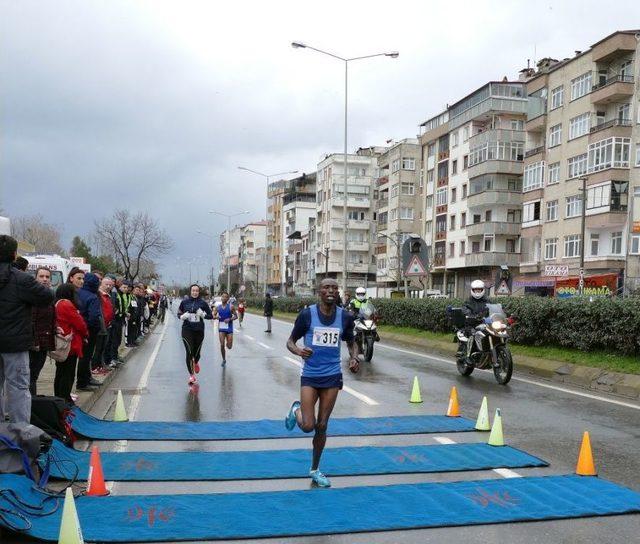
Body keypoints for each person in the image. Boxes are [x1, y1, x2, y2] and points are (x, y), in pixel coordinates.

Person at [284, 278, 360, 488]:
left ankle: (315, 469)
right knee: (308, 425)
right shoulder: (307, 314)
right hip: (310, 375)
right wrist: (299, 351)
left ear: (338, 293)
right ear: (319, 291)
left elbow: (352, 343)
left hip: (332, 376)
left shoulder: (345, 317)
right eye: (326, 287)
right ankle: (296, 410)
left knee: (322, 425)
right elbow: (290, 341)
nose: (331, 290)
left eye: (334, 288)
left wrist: (354, 358)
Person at [0, 235, 54, 423]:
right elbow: (47, 296)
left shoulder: (20, 279)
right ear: (14, 255)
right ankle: (21, 433)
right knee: (19, 389)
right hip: (15, 345)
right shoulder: (21, 279)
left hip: (13, 343)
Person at [53, 284, 89, 403]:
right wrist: (86, 334)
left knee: (60, 372)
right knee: (68, 374)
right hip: (69, 345)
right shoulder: (67, 304)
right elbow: (79, 323)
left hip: (62, 343)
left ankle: (58, 397)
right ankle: (65, 399)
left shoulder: (57, 303)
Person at [28, 267, 56, 395]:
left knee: (35, 375)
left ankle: (32, 402)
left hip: (45, 341)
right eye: (41, 276)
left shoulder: (49, 295)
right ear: (36, 277)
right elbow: (31, 320)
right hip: (34, 344)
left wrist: (55, 328)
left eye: (47, 277)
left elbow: (48, 318)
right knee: (30, 376)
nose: (45, 279)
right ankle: (30, 405)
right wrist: (34, 342)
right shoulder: (33, 296)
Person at [178, 284, 213, 385]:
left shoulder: (203, 303)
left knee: (196, 353)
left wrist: (203, 314)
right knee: (189, 352)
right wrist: (183, 316)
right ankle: (191, 375)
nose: (195, 292)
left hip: (199, 330)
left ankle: (196, 361)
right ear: (190, 291)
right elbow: (178, 314)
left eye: (197, 291)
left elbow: (210, 316)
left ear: (199, 292)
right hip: (187, 329)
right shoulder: (184, 302)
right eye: (193, 290)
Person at [76, 272, 103, 391]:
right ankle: (82, 382)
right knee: (86, 356)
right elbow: (93, 316)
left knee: (83, 356)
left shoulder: (77, 293)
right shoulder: (92, 297)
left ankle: (86, 379)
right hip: (89, 330)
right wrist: (94, 328)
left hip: (78, 328)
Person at [457, 279, 490, 360]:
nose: (477, 292)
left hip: (484, 324)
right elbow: (464, 309)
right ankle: (468, 356)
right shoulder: (468, 301)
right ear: (472, 290)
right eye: (476, 290)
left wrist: (504, 313)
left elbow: (493, 307)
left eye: (479, 290)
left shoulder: (487, 300)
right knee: (472, 334)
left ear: (483, 290)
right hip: (471, 324)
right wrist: (469, 314)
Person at [213, 292, 237, 367]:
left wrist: (229, 319)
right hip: (221, 328)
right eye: (223, 297)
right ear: (221, 298)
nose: (224, 298)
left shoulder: (231, 307)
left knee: (229, 346)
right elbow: (213, 315)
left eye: (226, 297)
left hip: (229, 328)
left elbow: (236, 316)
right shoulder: (218, 307)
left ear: (228, 298)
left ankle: (228, 344)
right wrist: (216, 317)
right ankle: (223, 359)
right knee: (222, 344)